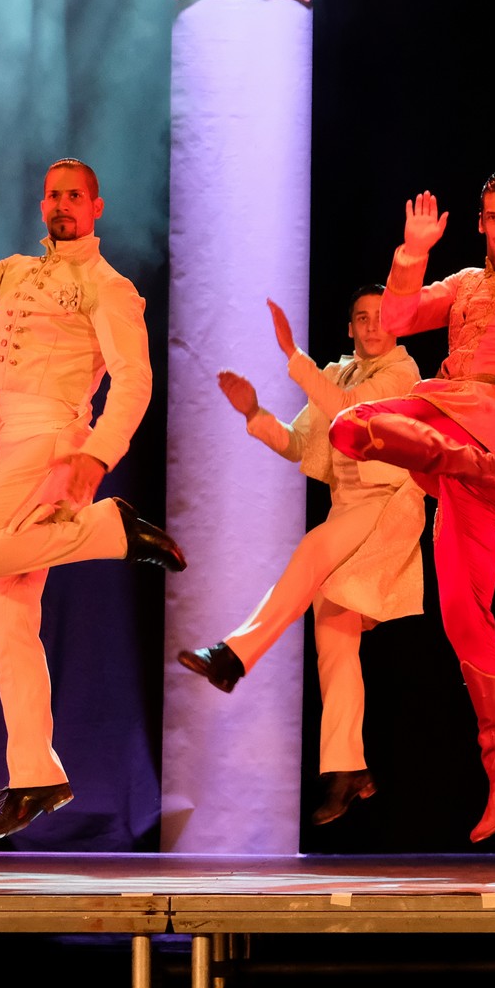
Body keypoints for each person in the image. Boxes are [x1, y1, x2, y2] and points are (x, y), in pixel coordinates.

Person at [0, 159, 184, 843]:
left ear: (97, 207)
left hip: (50, 439)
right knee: (9, 622)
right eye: (53, 195)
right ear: (43, 206)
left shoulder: (108, 286)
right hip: (6, 439)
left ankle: (110, 530)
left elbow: (133, 381)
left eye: (74, 195)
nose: (61, 204)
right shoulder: (16, 271)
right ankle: (35, 774)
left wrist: (96, 457)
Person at [328, 174, 495, 842]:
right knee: (464, 615)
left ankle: (485, 465)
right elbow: (395, 320)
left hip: (480, 416)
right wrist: (412, 253)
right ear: (479, 222)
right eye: (493, 218)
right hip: (461, 448)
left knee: (351, 426)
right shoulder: (466, 283)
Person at [178, 285, 429, 825]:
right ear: (349, 327)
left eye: (381, 317)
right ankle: (347, 768)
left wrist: (293, 355)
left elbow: (350, 411)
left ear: (398, 325)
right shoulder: (337, 374)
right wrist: (255, 412)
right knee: (334, 639)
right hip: (347, 510)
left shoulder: (403, 373)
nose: (372, 326)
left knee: (313, 546)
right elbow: (299, 443)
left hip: (387, 506)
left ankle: (232, 656)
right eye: (361, 317)